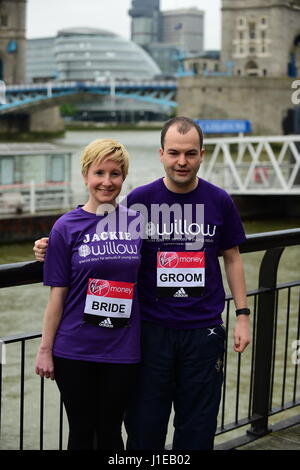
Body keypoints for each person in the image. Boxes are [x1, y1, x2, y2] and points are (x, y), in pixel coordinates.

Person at [34, 117, 251, 451]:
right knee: (143, 426)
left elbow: (233, 256)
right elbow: (92, 231)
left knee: (196, 426)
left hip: (202, 330)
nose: (182, 161)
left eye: (190, 153)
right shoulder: (139, 202)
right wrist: (51, 245)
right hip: (149, 332)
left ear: (201, 155)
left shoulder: (217, 200)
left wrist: (242, 314)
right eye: (175, 153)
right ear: (161, 154)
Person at [35, 138, 143, 450]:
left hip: (122, 349)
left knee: (110, 432)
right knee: (81, 431)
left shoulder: (136, 222)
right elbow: (57, 296)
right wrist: (45, 349)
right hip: (75, 350)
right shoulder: (66, 227)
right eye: (99, 173)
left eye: (115, 174)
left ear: (123, 178)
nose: (107, 182)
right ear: (85, 175)